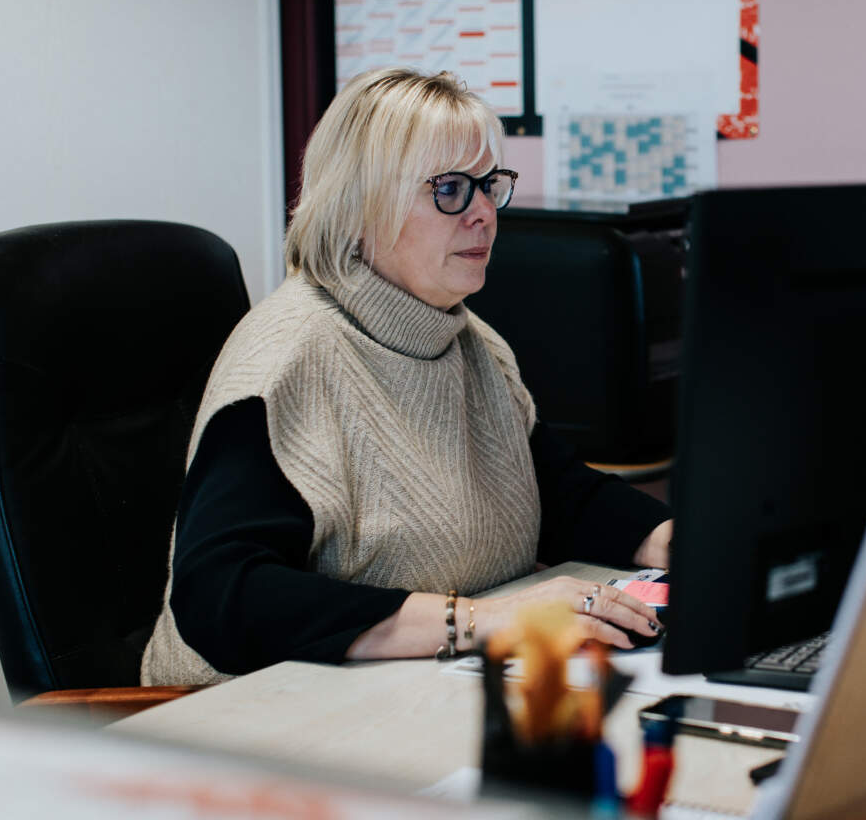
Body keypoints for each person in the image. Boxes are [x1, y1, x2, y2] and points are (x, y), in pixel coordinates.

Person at [142, 68, 672, 685]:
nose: (482, 214)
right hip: (240, 719)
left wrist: (673, 541)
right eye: (449, 188)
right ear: (358, 209)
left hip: (407, 694)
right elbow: (224, 599)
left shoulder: (469, 341)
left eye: (487, 185)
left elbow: (562, 497)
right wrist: (481, 621)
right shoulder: (289, 359)